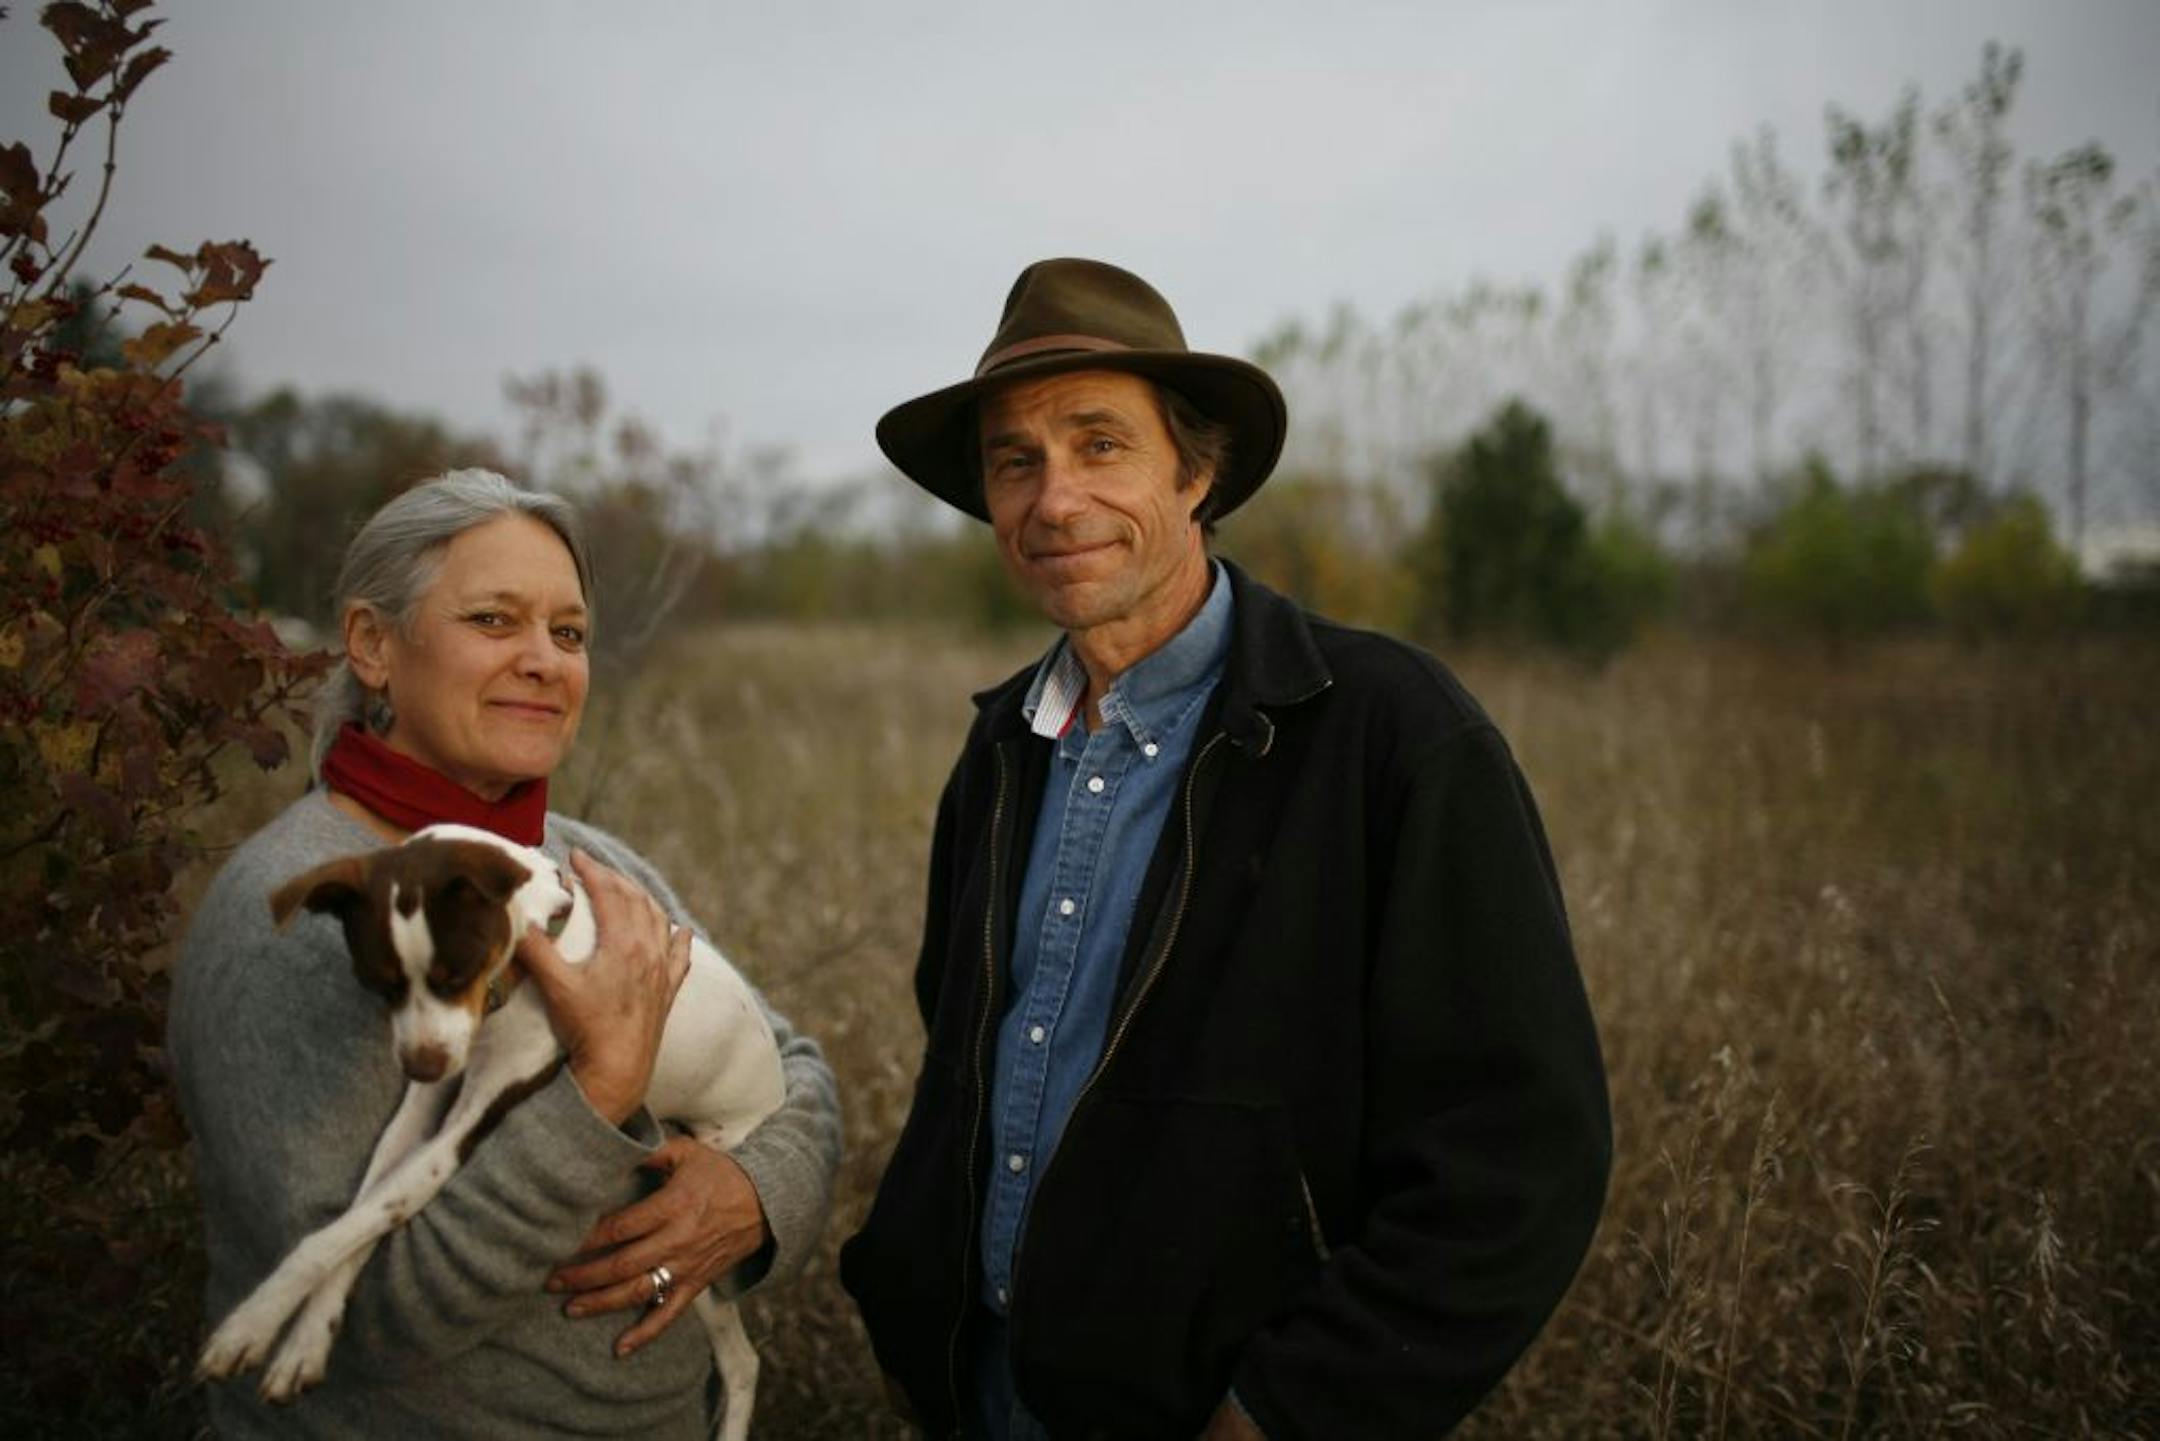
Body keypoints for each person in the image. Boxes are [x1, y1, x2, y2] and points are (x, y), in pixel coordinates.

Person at [840, 259, 1611, 1439]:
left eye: (1101, 444)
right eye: (1015, 461)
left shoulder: (1390, 736)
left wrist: (1292, 1409)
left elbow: (1519, 1156)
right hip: (981, 1397)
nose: (1054, 500)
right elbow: (962, 1065)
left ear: (1196, 471)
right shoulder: (1000, 749)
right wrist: (912, 1307)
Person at [170, 470, 841, 1438]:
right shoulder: (309, 913)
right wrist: (597, 1092)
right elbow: (365, 1325)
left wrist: (751, 1194)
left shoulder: (585, 861)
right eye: (493, 620)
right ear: (372, 644)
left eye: (568, 633)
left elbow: (797, 1068)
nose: (542, 661)